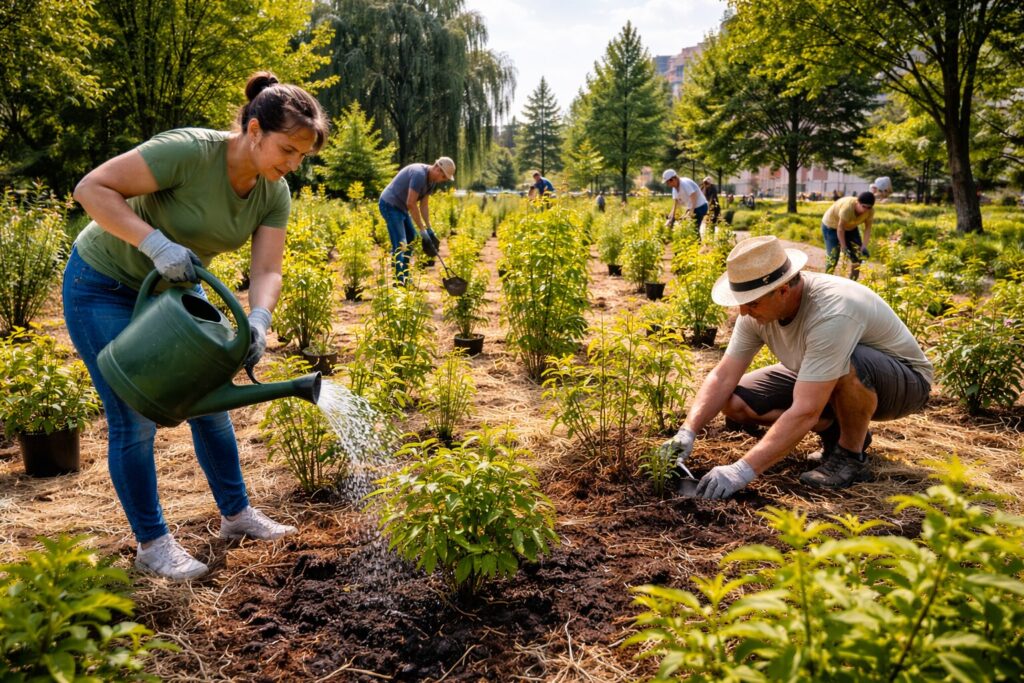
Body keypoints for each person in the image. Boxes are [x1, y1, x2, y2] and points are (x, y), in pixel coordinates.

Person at [64, 72, 330, 580]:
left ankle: (236, 515)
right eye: (288, 149)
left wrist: (258, 318)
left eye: (302, 156)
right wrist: (156, 245)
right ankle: (153, 543)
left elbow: (267, 269)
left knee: (212, 404)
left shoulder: (274, 192)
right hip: (103, 283)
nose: (294, 163)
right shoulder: (188, 152)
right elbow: (90, 188)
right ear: (254, 130)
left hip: (175, 292)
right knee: (133, 419)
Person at [659, 235, 932, 499]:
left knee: (849, 364)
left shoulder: (831, 311)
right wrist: (687, 431)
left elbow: (806, 411)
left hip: (902, 384)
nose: (743, 312)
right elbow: (723, 375)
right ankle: (836, 431)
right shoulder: (755, 312)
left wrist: (741, 471)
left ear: (783, 289)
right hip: (822, 373)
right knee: (736, 402)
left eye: (751, 303)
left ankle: (851, 456)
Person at [378, 157, 455, 284]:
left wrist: (429, 229)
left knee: (411, 238)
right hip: (389, 204)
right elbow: (411, 203)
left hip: (400, 207)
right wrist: (422, 229)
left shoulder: (431, 182)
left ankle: (405, 275)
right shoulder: (419, 174)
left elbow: (423, 206)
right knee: (401, 242)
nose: (444, 181)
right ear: (437, 168)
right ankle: (400, 281)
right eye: (444, 177)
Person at [822, 191, 875, 281]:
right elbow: (840, 229)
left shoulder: (870, 212)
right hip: (831, 226)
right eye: (863, 206)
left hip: (850, 227)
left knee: (858, 256)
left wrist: (864, 246)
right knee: (833, 257)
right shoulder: (848, 208)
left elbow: (868, 228)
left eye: (868, 207)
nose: (865, 210)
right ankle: (826, 281)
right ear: (857, 202)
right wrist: (843, 246)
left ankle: (852, 282)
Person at [663, 169, 708, 238]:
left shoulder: (684, 183)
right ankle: (694, 245)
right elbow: (676, 203)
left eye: (668, 182)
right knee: (686, 225)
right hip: (693, 207)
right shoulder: (674, 188)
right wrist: (671, 217)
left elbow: (694, 196)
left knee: (693, 228)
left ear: (673, 179)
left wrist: (691, 211)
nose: (667, 185)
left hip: (700, 206)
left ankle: (698, 246)